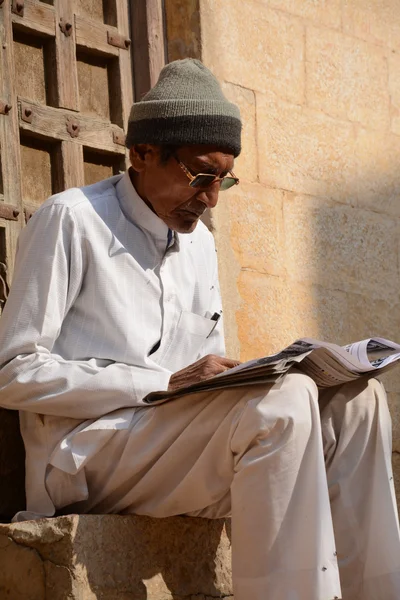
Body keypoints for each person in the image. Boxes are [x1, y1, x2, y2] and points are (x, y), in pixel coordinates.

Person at [0, 58, 399, 600]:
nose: (210, 198)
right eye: (200, 174)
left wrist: (232, 377)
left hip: (173, 447)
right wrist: (159, 384)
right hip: (84, 454)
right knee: (282, 405)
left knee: (360, 400)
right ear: (141, 153)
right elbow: (13, 372)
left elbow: (208, 379)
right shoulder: (70, 220)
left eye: (223, 179)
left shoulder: (200, 244)